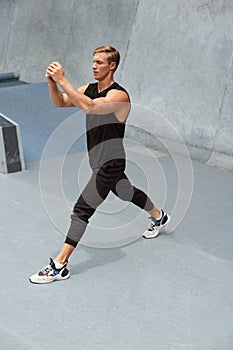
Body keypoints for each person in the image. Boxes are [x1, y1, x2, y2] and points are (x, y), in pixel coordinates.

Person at [29, 46, 170, 284]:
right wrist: (53, 83)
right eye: (93, 62)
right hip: (97, 159)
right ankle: (158, 216)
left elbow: (90, 107)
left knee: (82, 210)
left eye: (99, 62)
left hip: (110, 162)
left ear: (112, 65)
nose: (94, 66)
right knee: (125, 192)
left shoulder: (119, 96)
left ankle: (60, 265)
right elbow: (61, 103)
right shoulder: (89, 89)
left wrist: (63, 78)